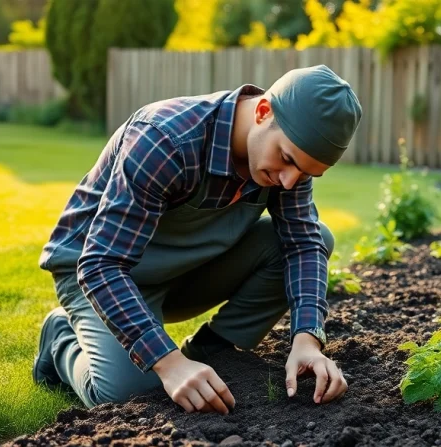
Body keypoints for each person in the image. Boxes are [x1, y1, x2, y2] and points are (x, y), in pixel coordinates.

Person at [33, 65, 362, 414]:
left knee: (317, 238)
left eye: (306, 174)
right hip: (101, 276)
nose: (287, 182)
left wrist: (308, 340)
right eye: (286, 160)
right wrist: (168, 364)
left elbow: (303, 244)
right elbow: (100, 264)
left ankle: (210, 351)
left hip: (184, 272)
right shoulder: (164, 139)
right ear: (264, 112)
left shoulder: (286, 164)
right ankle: (61, 338)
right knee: (129, 393)